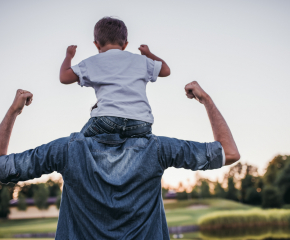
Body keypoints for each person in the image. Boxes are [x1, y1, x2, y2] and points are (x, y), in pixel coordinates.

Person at [0, 81, 240, 240]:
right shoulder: (157, 149)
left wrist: (14, 112)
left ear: (95, 113)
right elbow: (229, 153)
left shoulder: (67, 149)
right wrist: (205, 99)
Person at [59, 17, 171, 138]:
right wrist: (148, 54)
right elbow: (166, 70)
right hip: (141, 122)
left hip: (107, 120)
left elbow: (64, 77)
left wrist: (69, 56)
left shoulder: (92, 62)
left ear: (96, 44)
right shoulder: (141, 60)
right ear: (125, 44)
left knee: (78, 143)